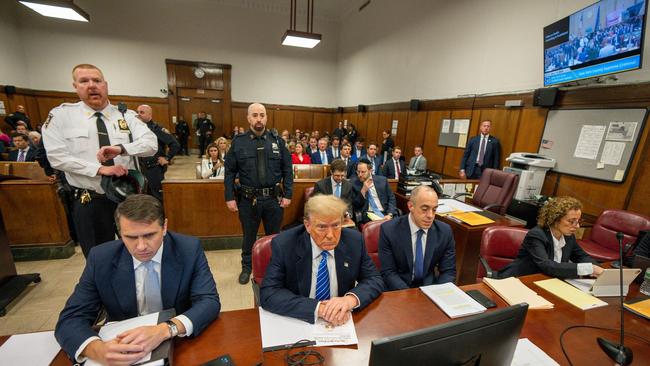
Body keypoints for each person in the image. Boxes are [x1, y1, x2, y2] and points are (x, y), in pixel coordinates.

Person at [54, 194, 221, 365]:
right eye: (131, 237)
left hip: (177, 343)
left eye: (149, 235)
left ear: (164, 227)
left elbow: (209, 301)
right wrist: (97, 349)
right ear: (119, 232)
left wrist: (165, 329)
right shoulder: (101, 258)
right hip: (121, 344)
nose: (141, 247)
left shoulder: (188, 249)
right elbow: (70, 319)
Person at [42, 63, 157, 257]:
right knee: (100, 258)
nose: (91, 85)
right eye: (84, 81)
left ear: (106, 84)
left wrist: (121, 149)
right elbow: (56, 157)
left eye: (97, 80)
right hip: (91, 199)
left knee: (140, 253)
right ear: (75, 86)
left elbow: (151, 144)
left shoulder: (126, 115)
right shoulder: (62, 116)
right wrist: (99, 169)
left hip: (127, 197)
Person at [260, 195, 383, 324]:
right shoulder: (285, 244)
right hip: (299, 319)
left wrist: (350, 300)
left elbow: (374, 279)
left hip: (342, 320)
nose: (330, 235)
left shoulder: (355, 241)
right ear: (307, 225)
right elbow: (269, 293)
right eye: (322, 227)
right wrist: (319, 309)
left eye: (336, 225)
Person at [224, 103, 293, 285]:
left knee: (274, 237)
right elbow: (229, 172)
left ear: (266, 118)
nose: (258, 119)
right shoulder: (238, 142)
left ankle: (274, 268)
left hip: (273, 199)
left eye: (262, 115)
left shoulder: (278, 141)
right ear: (248, 118)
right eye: (254, 115)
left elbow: (288, 170)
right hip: (248, 200)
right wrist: (229, 197)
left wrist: (288, 194)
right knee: (248, 236)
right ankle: (247, 267)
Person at [498, 197, 604, 279]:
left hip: (546, 282)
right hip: (519, 280)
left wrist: (602, 271)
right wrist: (589, 268)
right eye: (571, 221)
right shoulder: (536, 235)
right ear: (555, 219)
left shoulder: (568, 236)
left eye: (578, 221)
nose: (577, 226)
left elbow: (582, 257)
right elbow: (547, 266)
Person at [378, 186, 456, 290]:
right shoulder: (389, 230)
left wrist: (438, 293)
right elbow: (388, 272)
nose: (430, 215)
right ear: (410, 206)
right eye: (425, 209)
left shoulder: (444, 231)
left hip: (429, 288)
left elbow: (448, 271)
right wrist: (409, 296)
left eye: (434, 210)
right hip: (398, 289)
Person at [136, 105, 180, 201]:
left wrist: (167, 158)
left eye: (142, 112)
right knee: (142, 197)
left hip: (154, 169)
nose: (138, 114)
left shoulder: (157, 129)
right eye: (138, 112)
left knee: (157, 197)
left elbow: (175, 145)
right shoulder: (135, 129)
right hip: (139, 168)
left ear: (150, 114)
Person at [350, 158, 398, 223]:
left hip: (385, 212)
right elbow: (355, 205)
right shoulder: (354, 183)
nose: (360, 175)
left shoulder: (382, 180)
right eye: (358, 172)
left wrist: (390, 214)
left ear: (370, 171)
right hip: (369, 215)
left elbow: (391, 198)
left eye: (363, 172)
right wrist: (363, 191)